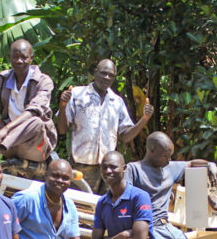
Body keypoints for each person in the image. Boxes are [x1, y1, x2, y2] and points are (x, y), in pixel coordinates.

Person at [56, 59, 153, 193]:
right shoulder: (78, 95)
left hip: (108, 170)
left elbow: (125, 136)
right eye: (103, 73)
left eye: (111, 75)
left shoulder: (117, 101)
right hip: (82, 165)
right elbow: (62, 129)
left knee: (104, 208)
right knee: (81, 205)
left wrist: (144, 119)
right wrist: (62, 106)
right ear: (95, 73)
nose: (107, 77)